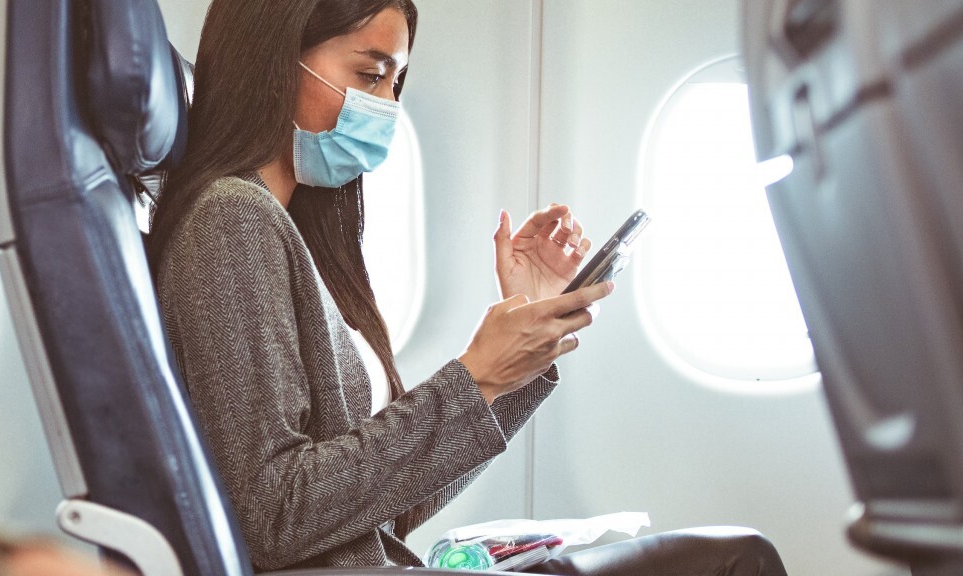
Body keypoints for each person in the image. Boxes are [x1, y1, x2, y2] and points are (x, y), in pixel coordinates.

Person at [146, 1, 789, 574]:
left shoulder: (296, 235)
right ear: (273, 62)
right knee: (740, 560)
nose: (389, 107)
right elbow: (277, 517)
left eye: (397, 82)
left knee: (737, 553)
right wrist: (476, 376)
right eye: (370, 75)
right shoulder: (231, 221)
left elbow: (380, 508)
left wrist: (515, 359)